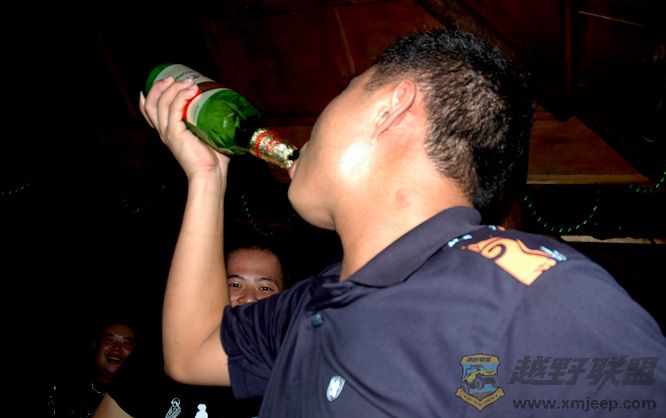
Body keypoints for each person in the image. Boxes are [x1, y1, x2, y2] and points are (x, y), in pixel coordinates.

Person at [140, 28, 666, 417]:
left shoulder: (529, 294)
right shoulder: (317, 301)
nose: (316, 121)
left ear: (392, 107)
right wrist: (206, 177)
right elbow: (191, 352)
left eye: (346, 89)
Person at [92, 243, 285, 418]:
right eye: (235, 284)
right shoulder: (153, 361)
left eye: (265, 288)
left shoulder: (292, 375)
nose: (248, 298)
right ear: (214, 290)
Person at [57, 320, 137, 418]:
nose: (116, 348)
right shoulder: (65, 390)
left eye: (126, 343)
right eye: (109, 340)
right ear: (95, 345)